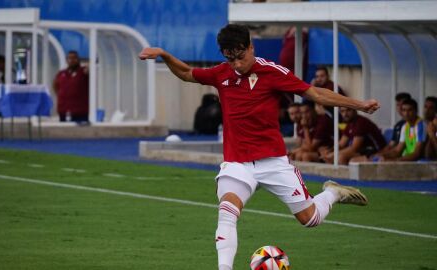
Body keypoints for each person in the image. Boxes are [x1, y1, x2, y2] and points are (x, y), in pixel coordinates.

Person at [139, 24, 379, 270]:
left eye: (241, 57)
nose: (236, 64)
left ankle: (333, 193)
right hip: (237, 163)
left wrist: (358, 104)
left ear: (251, 47)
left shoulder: (272, 72)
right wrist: (166, 56)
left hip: (273, 162)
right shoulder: (222, 73)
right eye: (229, 58)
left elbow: (315, 93)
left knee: (311, 220)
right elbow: (188, 73)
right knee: (227, 211)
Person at [53, 51, 89, 123]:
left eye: (74, 58)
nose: (72, 60)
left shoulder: (83, 71)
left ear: (78, 59)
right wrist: (61, 95)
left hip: (80, 111)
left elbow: (89, 72)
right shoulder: (61, 73)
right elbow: (55, 85)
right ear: (67, 60)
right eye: (70, 58)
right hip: (64, 110)